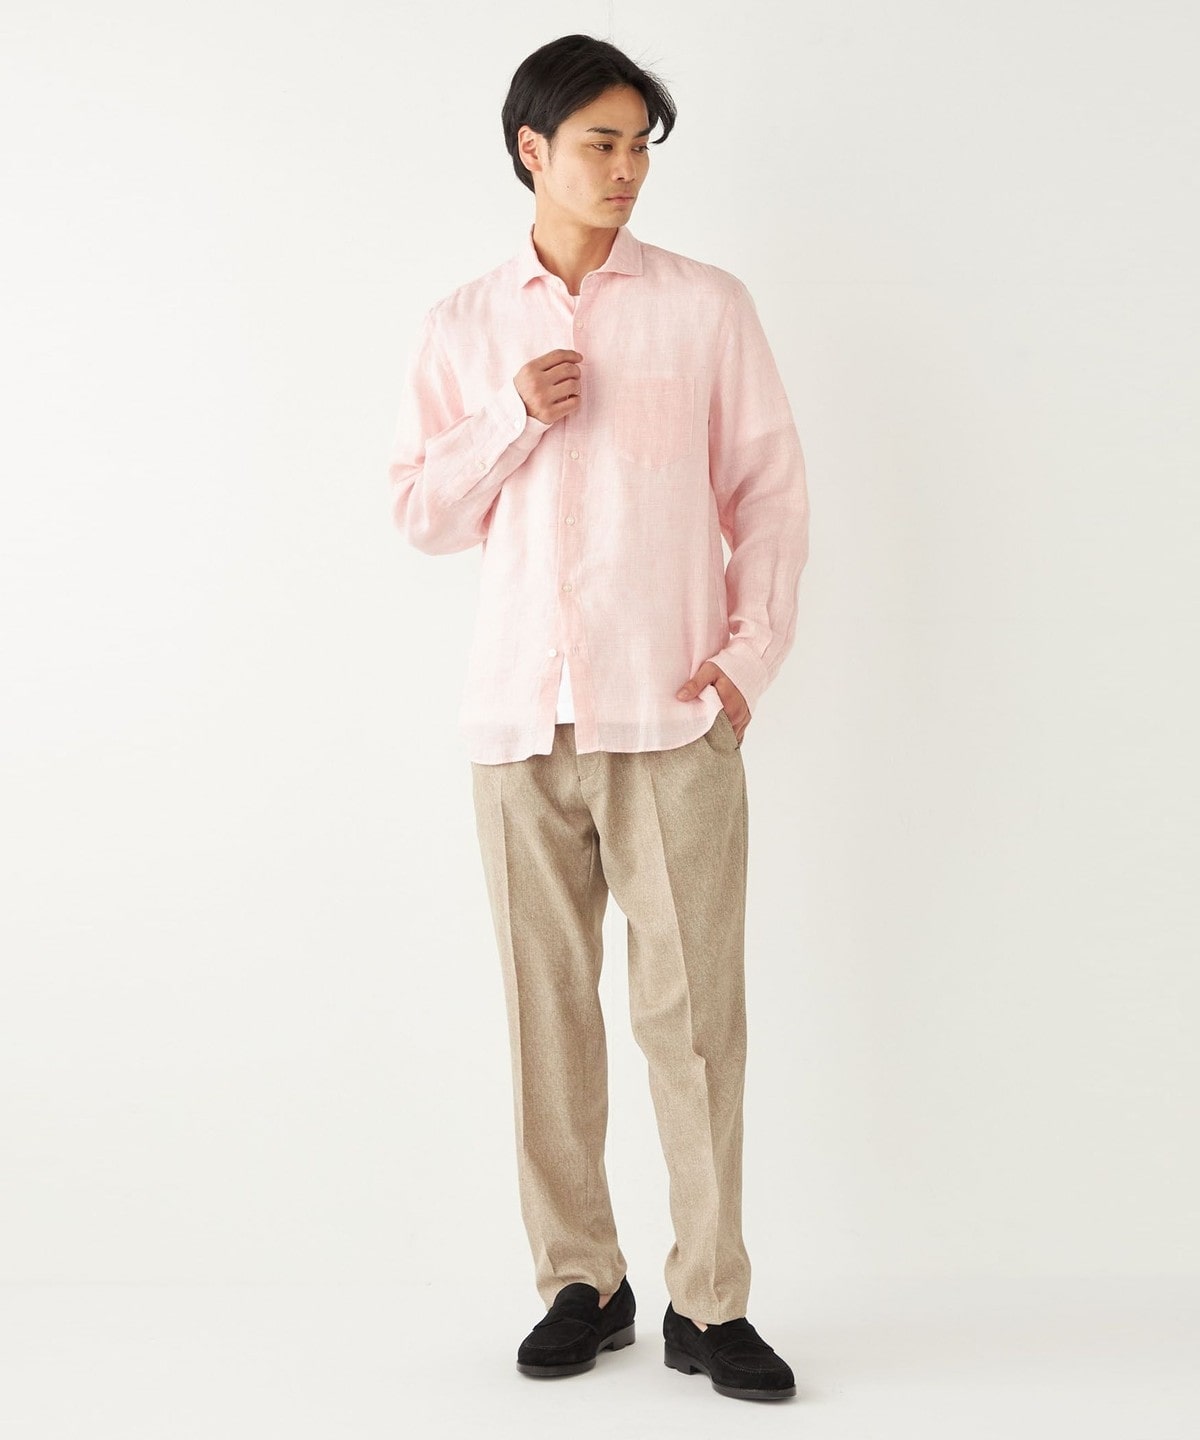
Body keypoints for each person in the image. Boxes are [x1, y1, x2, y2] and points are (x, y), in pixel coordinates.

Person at [387, 33, 809, 1403]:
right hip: (518, 725)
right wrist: (508, 419)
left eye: (641, 146)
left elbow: (770, 492)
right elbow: (421, 514)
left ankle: (711, 1299)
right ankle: (583, 1281)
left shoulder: (705, 309)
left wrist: (744, 662)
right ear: (533, 150)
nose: (627, 170)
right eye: (599, 144)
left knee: (696, 1025)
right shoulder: (463, 325)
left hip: (671, 718)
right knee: (547, 1019)